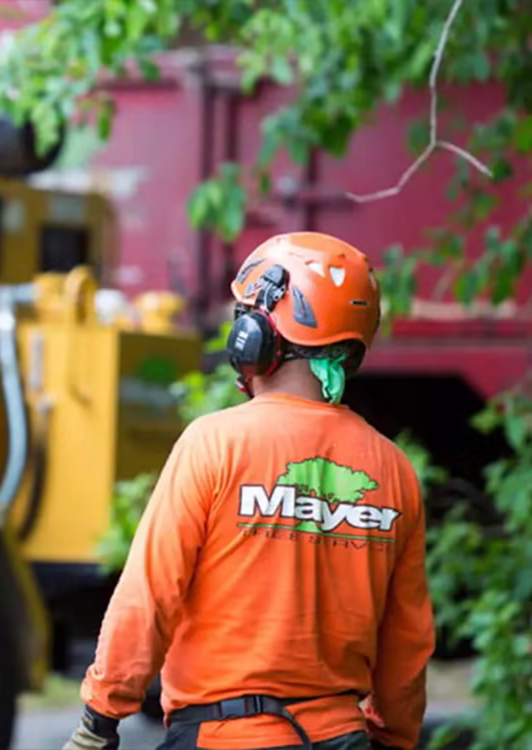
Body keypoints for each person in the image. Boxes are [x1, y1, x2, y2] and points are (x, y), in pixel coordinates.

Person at [63, 231, 435, 750]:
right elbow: (407, 641)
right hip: (343, 738)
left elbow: (149, 595)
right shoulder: (393, 471)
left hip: (223, 737)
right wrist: (394, 738)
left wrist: (99, 719)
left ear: (256, 335)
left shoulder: (214, 445)